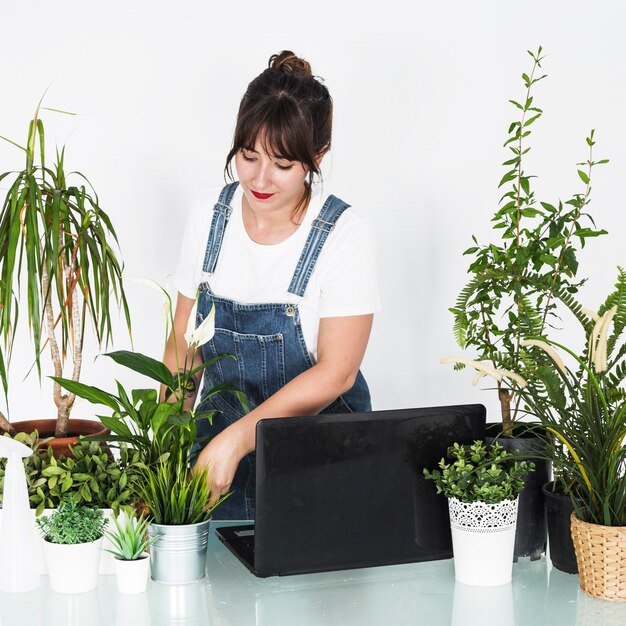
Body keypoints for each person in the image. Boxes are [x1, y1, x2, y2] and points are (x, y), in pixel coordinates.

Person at [167, 50, 380, 520]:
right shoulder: (209, 216)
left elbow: (337, 373)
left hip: (319, 461)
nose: (260, 180)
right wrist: (163, 452)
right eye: (248, 156)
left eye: (283, 164)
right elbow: (183, 352)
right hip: (215, 463)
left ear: (317, 156)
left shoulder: (343, 234)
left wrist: (237, 440)